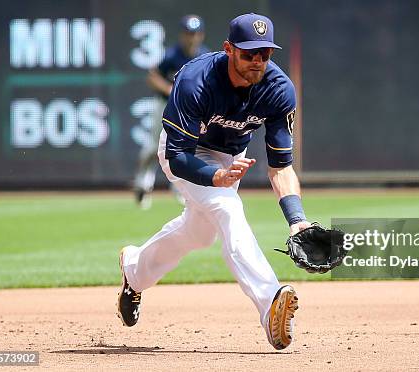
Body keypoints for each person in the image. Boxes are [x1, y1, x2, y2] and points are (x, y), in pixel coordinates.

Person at [117, 13, 311, 350]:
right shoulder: (196, 79)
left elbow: (281, 166)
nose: (257, 61)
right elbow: (177, 156)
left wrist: (297, 220)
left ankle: (134, 270)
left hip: (228, 157)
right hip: (186, 151)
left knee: (199, 232)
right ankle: (270, 303)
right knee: (226, 209)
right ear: (229, 49)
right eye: (249, 53)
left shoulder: (278, 90)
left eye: (264, 53)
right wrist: (214, 177)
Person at [134, 14, 210, 209]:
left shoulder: (205, 55)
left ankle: (180, 188)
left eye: (195, 33)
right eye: (188, 33)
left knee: (188, 147)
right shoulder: (172, 55)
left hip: (190, 110)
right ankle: (142, 185)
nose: (191, 37)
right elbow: (152, 76)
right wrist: (169, 89)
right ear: (182, 35)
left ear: (201, 35)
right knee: (153, 147)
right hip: (165, 105)